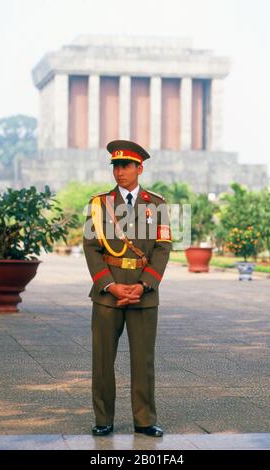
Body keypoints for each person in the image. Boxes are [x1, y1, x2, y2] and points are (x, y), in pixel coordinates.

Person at [83, 139, 172, 437]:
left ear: (139, 168)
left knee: (143, 361)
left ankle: (144, 420)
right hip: (109, 294)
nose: (119, 171)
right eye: (115, 166)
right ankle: (103, 419)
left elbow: (162, 247)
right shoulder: (99, 204)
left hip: (143, 294)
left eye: (125, 166)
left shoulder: (157, 204)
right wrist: (111, 285)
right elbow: (91, 248)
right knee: (103, 361)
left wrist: (144, 285)